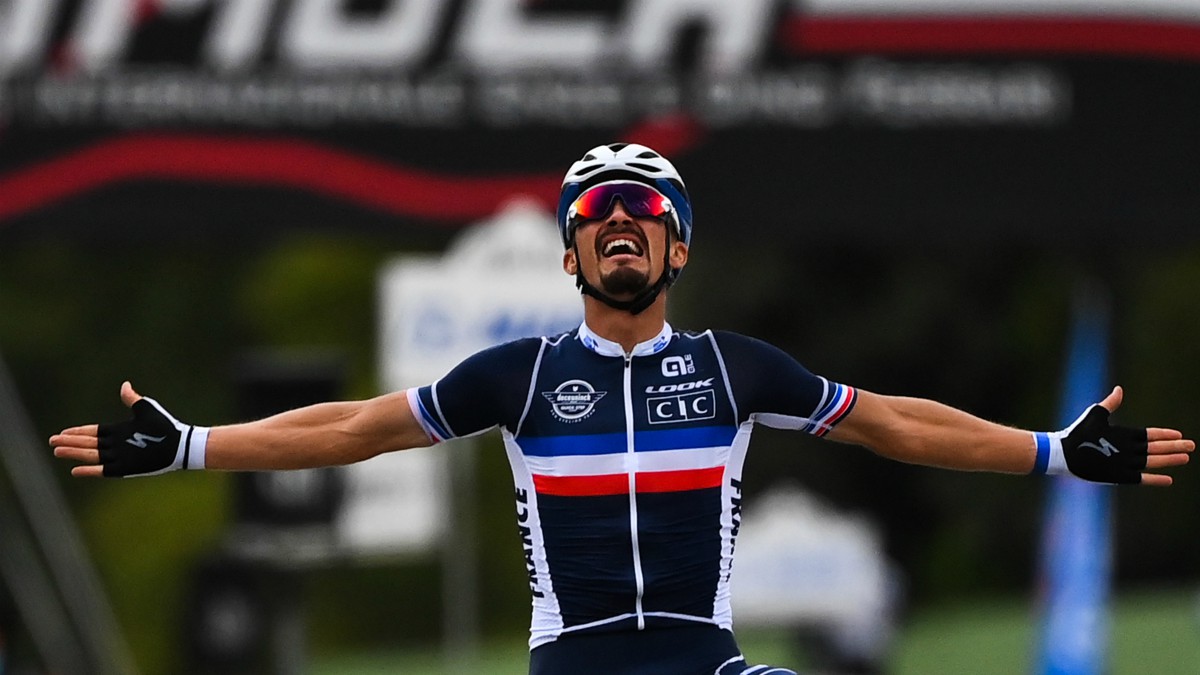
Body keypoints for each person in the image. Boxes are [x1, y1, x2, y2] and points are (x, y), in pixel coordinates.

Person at [50, 143, 1192, 675]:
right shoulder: (520, 376)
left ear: (677, 243)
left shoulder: (739, 368)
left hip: (708, 666)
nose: (619, 221)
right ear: (570, 252)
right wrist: (192, 443)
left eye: (643, 208)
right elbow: (352, 428)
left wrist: (1052, 450)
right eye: (595, 212)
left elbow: (896, 422)